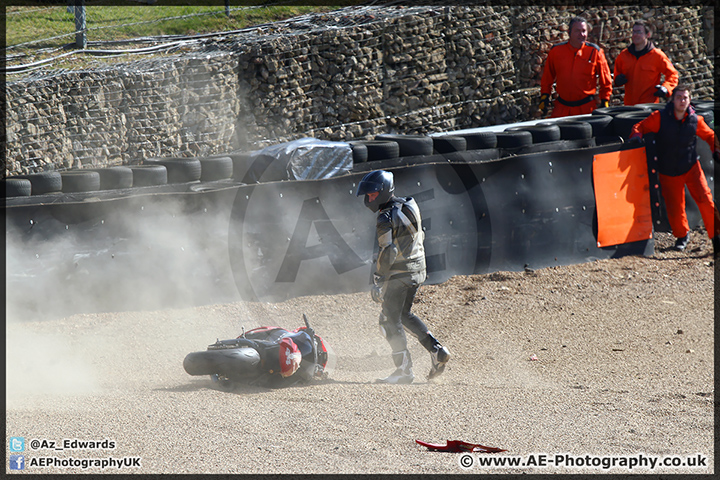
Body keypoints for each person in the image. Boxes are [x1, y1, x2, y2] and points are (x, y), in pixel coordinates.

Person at [355, 170, 450, 384]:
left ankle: (404, 370)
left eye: (372, 194)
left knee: (388, 320)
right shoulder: (410, 203)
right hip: (418, 270)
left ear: (383, 192)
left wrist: (378, 278)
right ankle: (437, 351)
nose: (368, 198)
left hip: (400, 273)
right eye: (367, 195)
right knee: (404, 315)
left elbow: (388, 252)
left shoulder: (384, 216)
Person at [629, 84, 720, 254]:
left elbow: (710, 135)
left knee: (706, 200)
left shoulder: (695, 120)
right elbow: (640, 126)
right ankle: (681, 236)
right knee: (675, 207)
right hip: (668, 171)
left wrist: (716, 149)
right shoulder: (660, 118)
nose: (682, 101)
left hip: (692, 167)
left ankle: (716, 237)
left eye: (685, 98)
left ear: (689, 100)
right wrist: (636, 136)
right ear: (672, 99)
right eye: (679, 97)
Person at [538, 16, 613, 118]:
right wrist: (545, 96)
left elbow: (605, 79)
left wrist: (605, 100)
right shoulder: (556, 51)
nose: (581, 34)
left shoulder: (595, 52)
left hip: (586, 108)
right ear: (569, 32)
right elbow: (547, 76)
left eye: (584, 31)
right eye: (577, 31)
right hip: (562, 108)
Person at [613, 20, 678, 106]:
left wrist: (666, 88)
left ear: (648, 35)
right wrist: (617, 79)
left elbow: (673, 74)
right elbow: (617, 72)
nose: (635, 35)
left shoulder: (657, 55)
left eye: (639, 32)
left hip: (649, 106)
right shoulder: (624, 55)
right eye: (634, 32)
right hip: (629, 107)